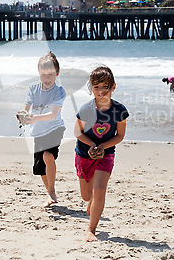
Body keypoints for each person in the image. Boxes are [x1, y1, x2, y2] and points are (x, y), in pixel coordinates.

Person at [74, 66, 129, 242]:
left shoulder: (119, 110)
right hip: (84, 153)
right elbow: (77, 132)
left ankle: (91, 229)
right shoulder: (86, 109)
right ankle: (90, 203)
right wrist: (91, 145)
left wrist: (103, 146)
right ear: (91, 89)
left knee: (99, 190)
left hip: (106, 154)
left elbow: (120, 135)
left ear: (113, 87)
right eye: (96, 87)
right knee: (86, 195)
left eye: (104, 87)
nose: (100, 91)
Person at [19, 52, 66, 207]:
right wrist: (23, 116)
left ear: (57, 73)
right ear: (39, 73)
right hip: (38, 131)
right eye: (43, 75)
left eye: (51, 74)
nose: (47, 78)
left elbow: (53, 114)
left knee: (48, 155)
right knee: (39, 168)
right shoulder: (33, 89)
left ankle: (51, 191)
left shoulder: (59, 91)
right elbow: (25, 109)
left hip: (55, 128)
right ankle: (49, 194)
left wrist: (34, 118)